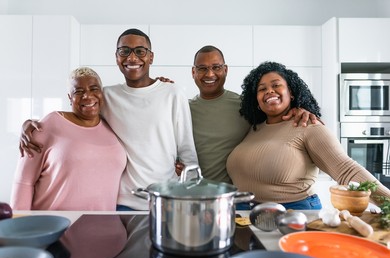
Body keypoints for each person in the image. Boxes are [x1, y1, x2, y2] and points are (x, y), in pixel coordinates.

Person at [19, 29, 198, 211]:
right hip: (122, 202)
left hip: (166, 199)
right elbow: (77, 113)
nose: (132, 58)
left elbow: (187, 151)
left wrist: (192, 199)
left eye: (140, 51)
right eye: (125, 51)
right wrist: (31, 125)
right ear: (116, 57)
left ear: (151, 57)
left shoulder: (172, 93)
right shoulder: (107, 96)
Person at [226, 61, 390, 210]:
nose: (269, 91)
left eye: (276, 85)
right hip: (244, 214)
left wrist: (388, 202)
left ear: (291, 93)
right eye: (262, 89)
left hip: (293, 214)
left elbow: (347, 171)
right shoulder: (253, 129)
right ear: (256, 100)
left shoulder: (308, 125)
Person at [187, 45, 319, 184]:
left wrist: (298, 109)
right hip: (194, 195)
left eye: (216, 67)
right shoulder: (183, 109)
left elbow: (276, 118)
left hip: (236, 198)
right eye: (202, 68)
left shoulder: (246, 106)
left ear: (225, 70)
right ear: (193, 72)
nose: (209, 74)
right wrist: (161, 83)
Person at [11, 67, 127, 211]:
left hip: (103, 228)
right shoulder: (48, 125)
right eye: (78, 91)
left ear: (101, 93)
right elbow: (24, 181)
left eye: (94, 89)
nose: (87, 96)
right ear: (69, 97)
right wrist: (18, 226)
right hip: (53, 227)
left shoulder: (112, 126)